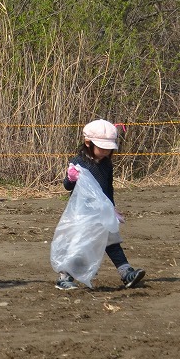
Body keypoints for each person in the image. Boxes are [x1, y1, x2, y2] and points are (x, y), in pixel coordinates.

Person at [56, 119, 146, 290]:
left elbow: (107, 187)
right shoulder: (79, 162)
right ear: (88, 143)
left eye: (108, 148)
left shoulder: (106, 164)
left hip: (102, 210)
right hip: (82, 213)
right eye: (102, 147)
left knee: (112, 241)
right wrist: (71, 178)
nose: (105, 151)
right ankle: (64, 277)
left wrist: (112, 207)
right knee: (79, 243)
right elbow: (68, 186)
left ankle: (126, 273)